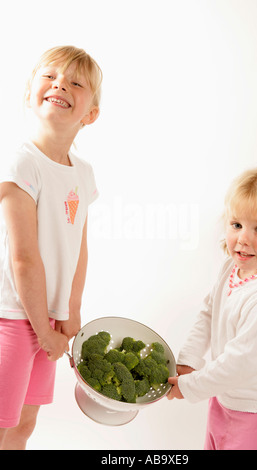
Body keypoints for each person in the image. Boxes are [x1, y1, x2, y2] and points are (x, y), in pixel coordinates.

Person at [0, 45, 102, 449]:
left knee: (24, 423)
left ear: (90, 114)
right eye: (50, 76)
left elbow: (79, 247)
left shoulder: (84, 173)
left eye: (76, 82)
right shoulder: (21, 164)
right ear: (29, 92)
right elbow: (23, 258)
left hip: (49, 323)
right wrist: (43, 331)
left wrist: (70, 311)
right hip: (13, 318)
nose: (61, 83)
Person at [168, 165, 257, 450]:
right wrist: (189, 360)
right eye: (237, 225)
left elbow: (240, 362)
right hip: (224, 398)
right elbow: (209, 312)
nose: (243, 238)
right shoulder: (233, 267)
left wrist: (189, 386)